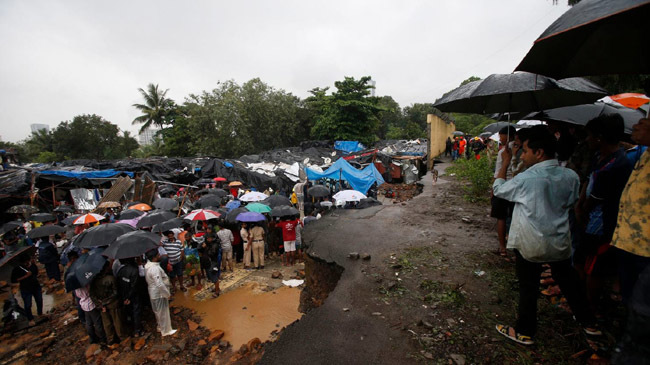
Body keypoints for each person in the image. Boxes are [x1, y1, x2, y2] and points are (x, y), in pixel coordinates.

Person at [492, 125, 599, 345]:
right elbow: (570, 203)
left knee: (528, 287)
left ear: (539, 152)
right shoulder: (570, 175)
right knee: (569, 282)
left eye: (527, 151)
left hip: (531, 243)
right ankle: (589, 323)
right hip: (559, 240)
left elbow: (499, 189)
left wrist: (505, 162)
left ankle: (525, 331)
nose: (523, 154)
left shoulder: (528, 179)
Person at [574, 114, 633, 313]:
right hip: (590, 219)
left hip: (601, 225)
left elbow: (597, 197)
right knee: (582, 260)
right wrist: (579, 204)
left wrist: (583, 210)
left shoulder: (617, 164)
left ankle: (589, 307)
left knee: (594, 268)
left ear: (600, 137)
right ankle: (580, 297)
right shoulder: (601, 157)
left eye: (589, 136)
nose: (587, 140)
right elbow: (588, 181)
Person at [490, 126, 516, 259]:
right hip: (517, 188)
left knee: (501, 217)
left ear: (508, 136)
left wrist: (493, 189)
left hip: (504, 186)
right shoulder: (522, 150)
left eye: (501, 136)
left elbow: (498, 172)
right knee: (516, 216)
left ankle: (502, 248)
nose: (500, 138)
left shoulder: (504, 152)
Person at [90, 262, 126, 344]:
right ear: (106, 268)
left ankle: (110, 339)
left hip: (102, 305)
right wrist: (106, 302)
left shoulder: (94, 280)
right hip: (112, 304)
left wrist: (100, 304)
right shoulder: (111, 278)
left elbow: (92, 295)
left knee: (107, 323)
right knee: (117, 321)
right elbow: (115, 293)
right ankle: (122, 337)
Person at [144, 249, 177, 336]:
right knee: (163, 311)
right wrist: (167, 294)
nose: (160, 256)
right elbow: (159, 283)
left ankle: (160, 326)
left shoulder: (147, 266)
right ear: (154, 258)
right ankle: (166, 330)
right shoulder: (154, 268)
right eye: (158, 255)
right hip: (159, 293)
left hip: (153, 292)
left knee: (157, 311)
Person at [11, 253, 42, 325]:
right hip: (25, 288)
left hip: (35, 286)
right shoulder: (17, 269)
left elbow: (36, 273)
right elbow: (14, 280)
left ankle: (40, 314)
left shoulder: (32, 266)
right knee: (28, 304)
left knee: (39, 300)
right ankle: (30, 319)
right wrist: (25, 276)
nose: (27, 263)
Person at [116, 257, 144, 337]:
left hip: (124, 295)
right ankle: (137, 330)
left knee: (129, 311)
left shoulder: (121, 270)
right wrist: (128, 297)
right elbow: (134, 286)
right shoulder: (134, 270)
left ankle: (131, 329)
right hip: (133, 295)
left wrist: (124, 297)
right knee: (136, 311)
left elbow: (118, 284)